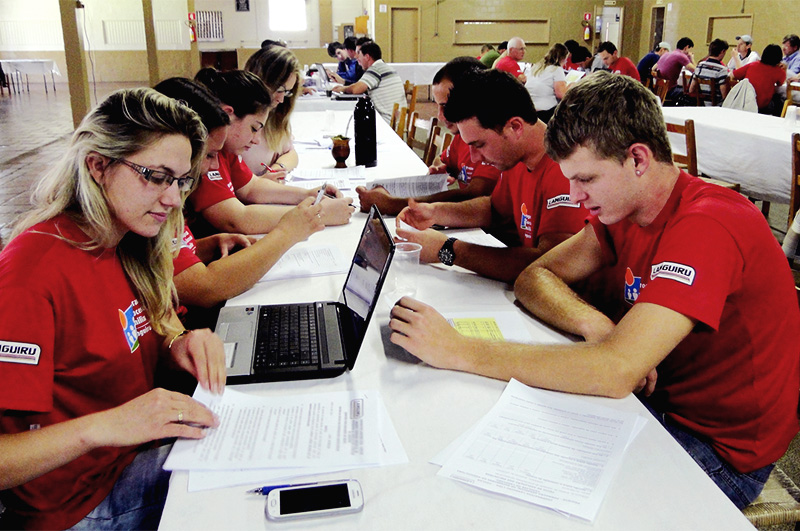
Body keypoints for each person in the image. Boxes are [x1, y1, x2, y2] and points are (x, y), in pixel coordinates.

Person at [388, 71, 799, 510]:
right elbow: (534, 278)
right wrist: (594, 323)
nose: (574, 194)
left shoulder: (708, 224)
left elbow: (615, 371)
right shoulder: (623, 209)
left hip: (717, 448)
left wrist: (460, 350)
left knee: (527, 503)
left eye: (585, 179)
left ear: (638, 160)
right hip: (652, 406)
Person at [0, 88, 227, 528]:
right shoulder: (31, 277)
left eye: (181, 181)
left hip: (124, 462)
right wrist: (105, 426)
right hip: (78, 507)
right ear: (98, 165)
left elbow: (125, 339)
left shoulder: (122, 241)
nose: (173, 199)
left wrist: (179, 345)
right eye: (155, 176)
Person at [394, 69, 586, 284]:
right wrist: (436, 212)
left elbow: (549, 266)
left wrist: (447, 249)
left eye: (480, 145)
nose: (475, 159)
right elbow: (494, 210)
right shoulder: (515, 158)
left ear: (515, 127)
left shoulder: (565, 170)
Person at [154, 78, 324, 319]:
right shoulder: (160, 200)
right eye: (209, 154)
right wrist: (287, 233)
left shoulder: (171, 190)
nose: (211, 165)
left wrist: (206, 246)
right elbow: (205, 287)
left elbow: (167, 259)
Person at [190, 68, 352, 237]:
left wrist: (307, 195)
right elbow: (236, 220)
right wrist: (318, 214)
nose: (257, 140)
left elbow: (252, 188)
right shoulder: (206, 154)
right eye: (254, 128)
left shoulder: (228, 150)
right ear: (227, 115)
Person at [356, 57, 500, 216]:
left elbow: (476, 194)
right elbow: (442, 160)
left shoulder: (489, 137)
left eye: (446, 106)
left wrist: (391, 204)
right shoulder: (461, 135)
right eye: (438, 106)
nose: (439, 115)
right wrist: (439, 168)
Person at [242, 45, 302, 180]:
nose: (281, 99)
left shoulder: (274, 116)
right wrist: (260, 184)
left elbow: (291, 153)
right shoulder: (238, 121)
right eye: (279, 89)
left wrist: (277, 169)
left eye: (287, 92)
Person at [331, 41, 406, 123]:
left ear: (367, 57)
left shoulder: (376, 69)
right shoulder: (384, 67)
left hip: (387, 121)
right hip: (396, 120)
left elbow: (356, 89)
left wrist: (342, 89)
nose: (358, 61)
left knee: (350, 122)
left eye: (359, 57)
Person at [732, 44, 786, 114]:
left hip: (744, 101)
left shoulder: (752, 65)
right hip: (762, 106)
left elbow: (733, 75)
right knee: (779, 100)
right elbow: (781, 83)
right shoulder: (779, 71)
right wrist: (784, 69)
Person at [525, 43, 568, 123]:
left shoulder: (536, 67)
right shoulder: (556, 69)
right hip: (546, 112)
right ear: (563, 58)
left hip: (530, 109)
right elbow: (561, 94)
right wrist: (572, 86)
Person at [689, 38, 730, 103]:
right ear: (723, 51)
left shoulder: (700, 66)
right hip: (717, 107)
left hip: (701, 104)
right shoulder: (722, 70)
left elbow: (691, 90)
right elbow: (725, 96)